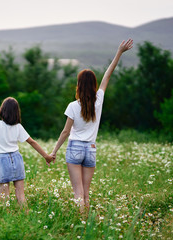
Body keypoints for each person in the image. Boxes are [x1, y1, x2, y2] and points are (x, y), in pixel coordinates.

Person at [50, 39, 133, 210]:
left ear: (79, 85)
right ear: (94, 85)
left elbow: (66, 132)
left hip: (74, 148)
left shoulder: (73, 106)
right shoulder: (99, 100)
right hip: (91, 149)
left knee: (78, 193)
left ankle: (81, 225)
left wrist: (54, 151)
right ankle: (87, 223)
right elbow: (108, 74)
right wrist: (119, 52)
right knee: (86, 193)